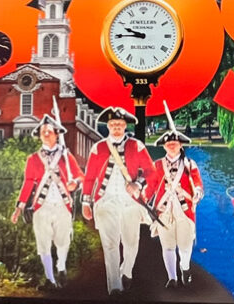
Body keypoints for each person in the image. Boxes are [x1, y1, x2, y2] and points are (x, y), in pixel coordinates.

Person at [82, 107, 157, 296]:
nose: (116, 127)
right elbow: (89, 176)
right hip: (106, 201)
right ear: (108, 126)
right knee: (110, 244)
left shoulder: (136, 145)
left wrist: (138, 185)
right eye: (113, 124)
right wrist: (85, 201)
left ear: (125, 126)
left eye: (120, 124)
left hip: (130, 202)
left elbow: (151, 172)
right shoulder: (98, 147)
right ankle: (114, 287)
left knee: (131, 242)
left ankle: (127, 271)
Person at [11, 114, 83, 289]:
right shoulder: (33, 159)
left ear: (57, 134)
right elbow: (28, 182)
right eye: (43, 132)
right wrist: (19, 207)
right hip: (41, 206)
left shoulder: (67, 157)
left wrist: (76, 183)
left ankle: (61, 267)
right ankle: (50, 279)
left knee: (63, 241)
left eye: (49, 132)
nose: (46, 134)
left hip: (63, 204)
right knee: (43, 244)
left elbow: (80, 176)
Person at [145, 119, 203, 289]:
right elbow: (151, 187)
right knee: (168, 246)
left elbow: (197, 183)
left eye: (174, 143)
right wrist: (142, 198)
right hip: (164, 212)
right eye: (169, 144)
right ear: (164, 147)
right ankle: (172, 278)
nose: (171, 146)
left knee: (185, 246)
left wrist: (198, 193)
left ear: (180, 145)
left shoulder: (189, 164)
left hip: (185, 211)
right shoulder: (157, 165)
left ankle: (185, 268)